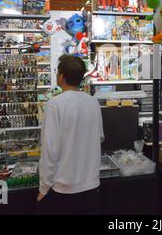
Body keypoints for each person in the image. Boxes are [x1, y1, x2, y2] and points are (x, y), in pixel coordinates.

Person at [37, 55, 104, 215]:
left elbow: (49, 150)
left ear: (61, 76)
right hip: (91, 186)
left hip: (64, 189)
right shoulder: (93, 102)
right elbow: (100, 138)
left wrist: (44, 187)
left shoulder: (55, 104)